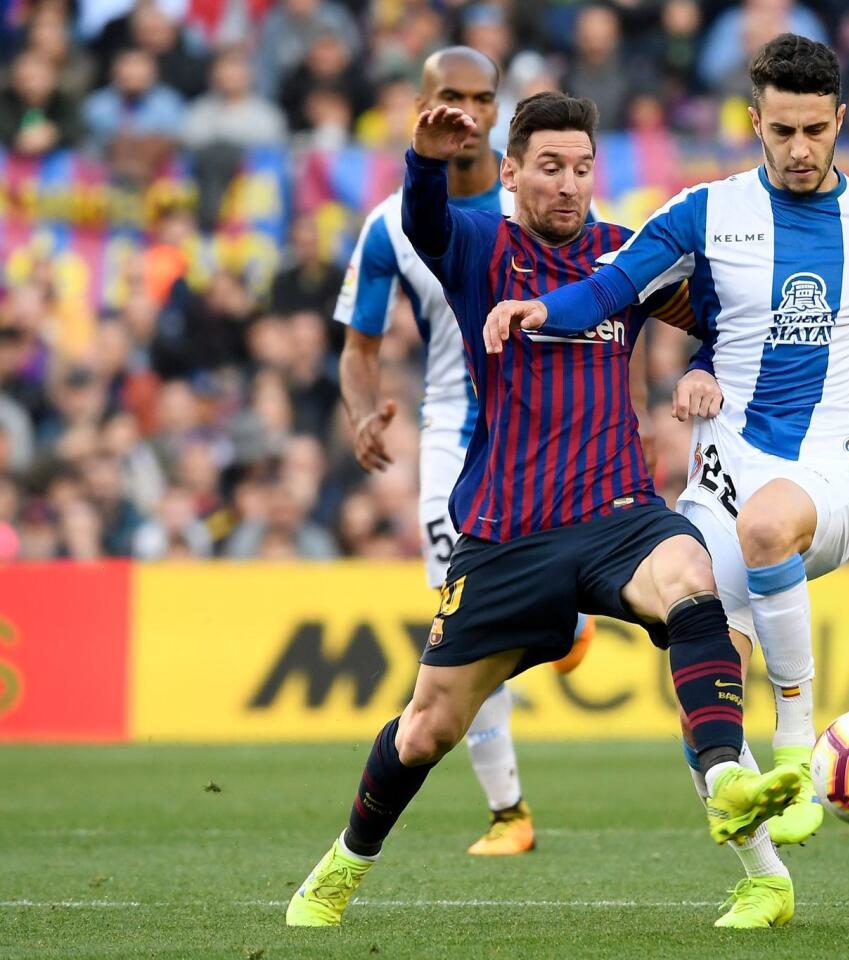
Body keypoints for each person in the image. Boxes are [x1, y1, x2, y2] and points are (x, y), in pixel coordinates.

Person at [286, 89, 803, 929]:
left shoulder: (622, 256)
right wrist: (424, 159)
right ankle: (344, 864)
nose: (569, 184)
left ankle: (733, 802)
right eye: (551, 168)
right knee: (426, 731)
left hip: (617, 514)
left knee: (691, 576)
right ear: (513, 172)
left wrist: (703, 360)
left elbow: (721, 316)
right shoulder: (481, 246)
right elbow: (425, 224)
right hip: (505, 535)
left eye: (583, 168)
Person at [484, 34, 849, 925]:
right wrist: (547, 309)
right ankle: (765, 878)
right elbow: (612, 288)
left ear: (840, 121)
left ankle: (799, 752)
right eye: (781, 131)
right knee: (706, 682)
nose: (799, 150)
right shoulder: (702, 213)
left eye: (815, 131)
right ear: (753, 122)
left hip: (832, 472)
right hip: (722, 479)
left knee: (770, 527)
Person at [333, 48, 597, 858]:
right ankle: (508, 812)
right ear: (420, 103)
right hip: (454, 433)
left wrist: (644, 408)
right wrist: (362, 410)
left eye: (484, 98)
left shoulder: (546, 196)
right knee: (458, 625)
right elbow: (360, 343)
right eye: (453, 96)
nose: (470, 113)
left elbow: (614, 301)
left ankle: (566, 615)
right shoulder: (393, 223)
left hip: (549, 429)